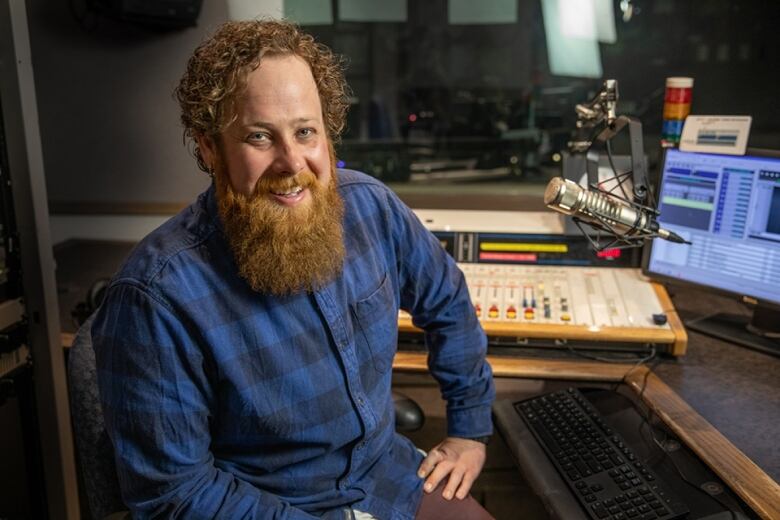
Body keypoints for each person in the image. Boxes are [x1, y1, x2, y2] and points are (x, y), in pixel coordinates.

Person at [92, 19, 495, 519]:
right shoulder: (154, 295)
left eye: (305, 132)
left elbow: (448, 300)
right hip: (271, 507)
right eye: (260, 137)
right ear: (210, 149)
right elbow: (175, 495)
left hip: (387, 478)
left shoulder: (371, 208)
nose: (291, 161)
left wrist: (469, 430)